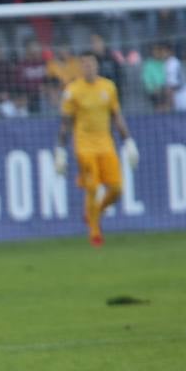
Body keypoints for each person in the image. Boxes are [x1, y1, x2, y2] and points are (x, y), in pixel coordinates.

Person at [55, 54, 137, 248]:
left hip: (105, 144)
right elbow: (65, 124)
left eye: (91, 64)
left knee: (117, 189)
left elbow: (117, 116)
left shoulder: (108, 87)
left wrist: (129, 142)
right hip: (84, 146)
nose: (88, 67)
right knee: (92, 187)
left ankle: (95, 213)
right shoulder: (72, 91)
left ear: (97, 66)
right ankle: (95, 231)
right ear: (80, 68)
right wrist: (60, 151)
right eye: (84, 64)